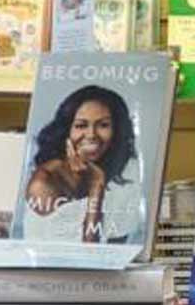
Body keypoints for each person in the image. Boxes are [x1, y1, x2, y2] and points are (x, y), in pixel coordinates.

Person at [22, 84, 142, 244]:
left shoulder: (126, 169)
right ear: (66, 130)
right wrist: (96, 186)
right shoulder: (44, 181)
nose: (91, 135)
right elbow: (86, 255)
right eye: (81, 125)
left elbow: (118, 248)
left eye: (103, 125)